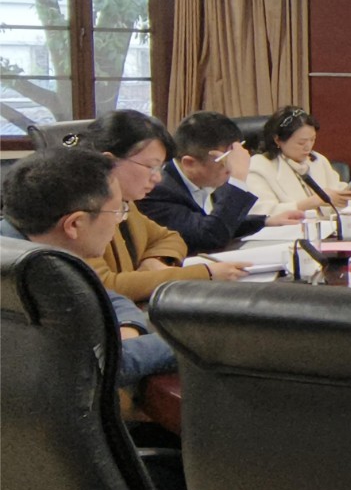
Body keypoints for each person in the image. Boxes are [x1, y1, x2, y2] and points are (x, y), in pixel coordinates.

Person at [0, 147, 177, 386]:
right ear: (75, 224)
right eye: (117, 210)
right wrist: (190, 341)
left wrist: (128, 326)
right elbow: (97, 367)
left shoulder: (19, 244)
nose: (119, 221)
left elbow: (106, 296)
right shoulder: (40, 276)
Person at [79, 110, 246, 301]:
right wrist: (205, 273)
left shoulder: (125, 203)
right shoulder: (80, 209)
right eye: (151, 167)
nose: (157, 178)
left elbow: (170, 237)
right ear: (110, 162)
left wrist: (155, 260)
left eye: (160, 168)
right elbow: (105, 286)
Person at [139, 111, 303, 253]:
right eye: (226, 160)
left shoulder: (208, 178)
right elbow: (209, 237)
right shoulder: (158, 191)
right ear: (189, 163)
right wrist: (238, 180)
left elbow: (213, 220)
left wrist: (265, 221)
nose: (231, 167)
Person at [247, 106, 351, 216]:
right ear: (278, 140)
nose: (308, 147)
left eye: (312, 139)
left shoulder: (317, 160)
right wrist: (313, 201)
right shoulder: (258, 166)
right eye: (301, 142)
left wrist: (345, 196)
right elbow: (263, 214)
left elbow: (336, 188)